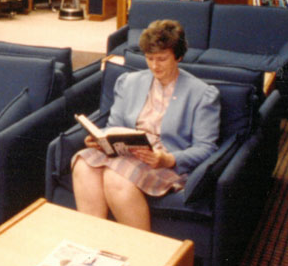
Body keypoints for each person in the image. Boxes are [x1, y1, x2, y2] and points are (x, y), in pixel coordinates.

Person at [72, 19, 220, 231]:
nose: (154, 66)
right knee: (83, 164)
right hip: (128, 150)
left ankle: (140, 246)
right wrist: (100, 138)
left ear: (178, 57)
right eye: (149, 58)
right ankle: (92, 238)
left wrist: (168, 159)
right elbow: (115, 125)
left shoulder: (202, 94)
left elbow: (207, 148)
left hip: (164, 159)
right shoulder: (129, 82)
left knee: (116, 177)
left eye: (162, 59)